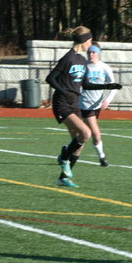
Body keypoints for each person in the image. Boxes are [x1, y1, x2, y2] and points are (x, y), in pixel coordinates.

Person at [45, 26, 122, 187]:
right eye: (90, 41)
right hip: (62, 103)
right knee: (86, 133)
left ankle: (63, 178)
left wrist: (108, 86)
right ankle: (64, 157)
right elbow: (50, 78)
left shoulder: (82, 61)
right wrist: (64, 91)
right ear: (83, 41)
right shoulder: (68, 58)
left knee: (79, 143)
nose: (91, 44)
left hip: (75, 104)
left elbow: (86, 85)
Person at [80, 43, 118, 167]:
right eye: (89, 52)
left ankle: (66, 153)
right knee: (95, 134)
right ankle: (102, 157)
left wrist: (107, 100)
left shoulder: (104, 68)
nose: (91, 55)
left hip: (96, 106)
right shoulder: (82, 66)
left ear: (98, 53)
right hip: (84, 104)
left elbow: (113, 86)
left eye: (93, 52)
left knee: (82, 136)